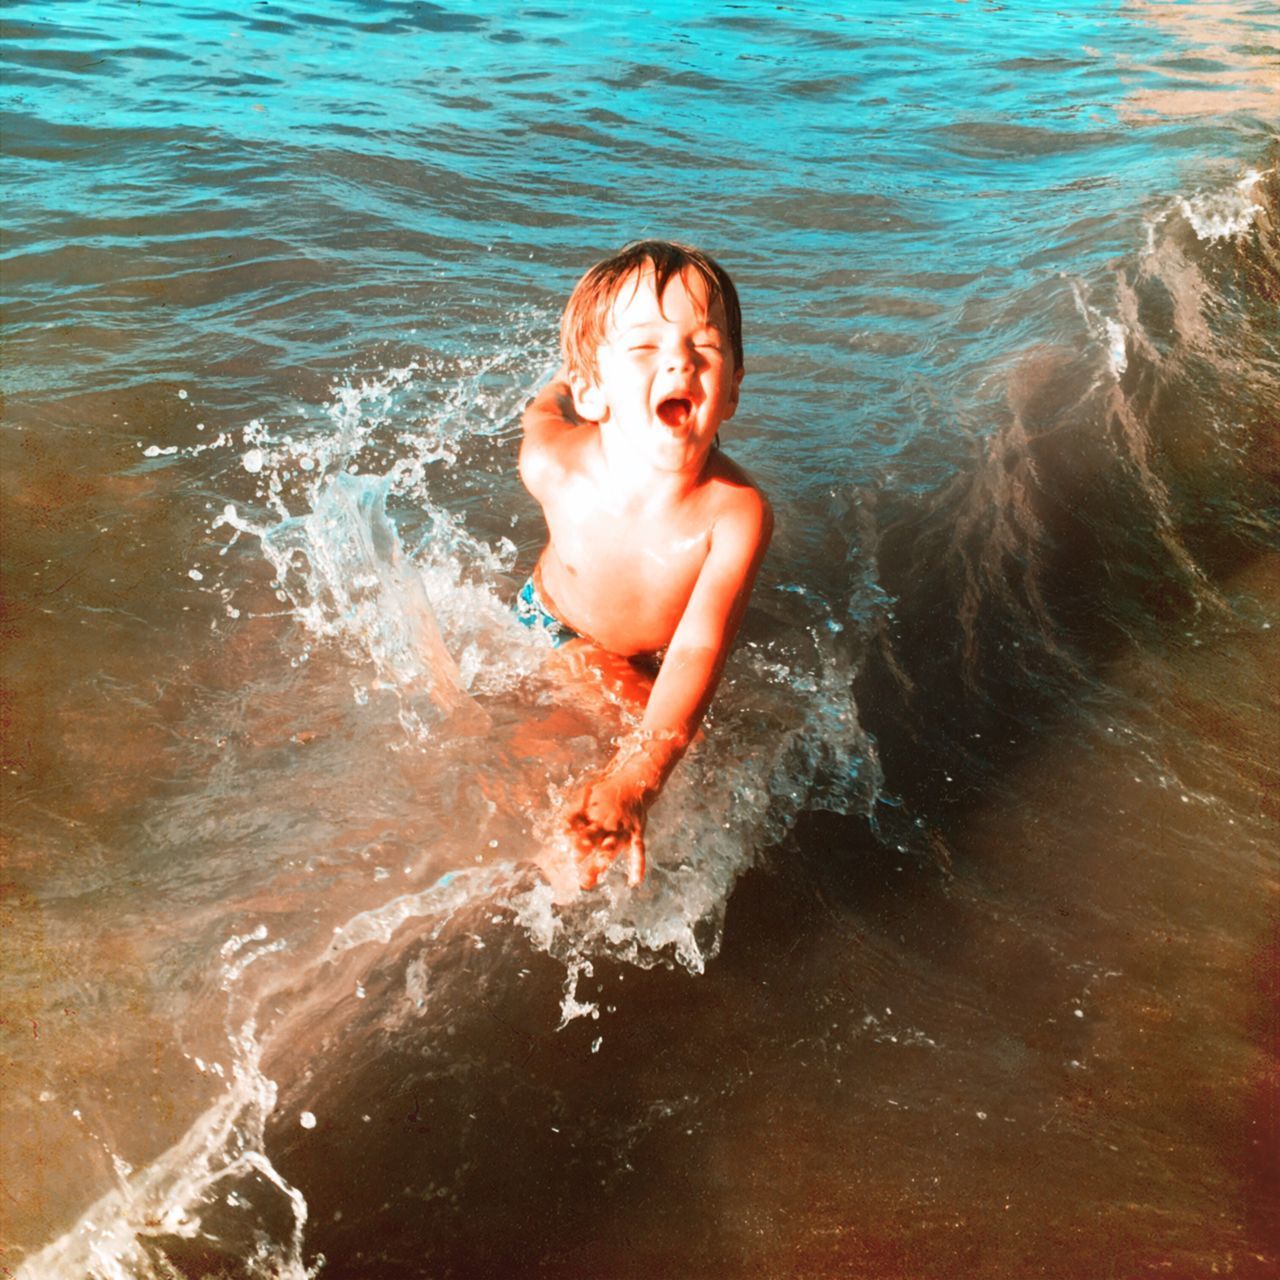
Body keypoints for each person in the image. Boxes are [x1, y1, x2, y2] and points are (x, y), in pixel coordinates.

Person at [518, 240, 773, 891]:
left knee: (695, 750)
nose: (681, 361)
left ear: (734, 390)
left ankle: (598, 817)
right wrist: (550, 396)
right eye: (644, 348)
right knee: (655, 748)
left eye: (705, 347)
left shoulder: (736, 514)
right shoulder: (557, 467)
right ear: (594, 391)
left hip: (650, 652)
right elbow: (540, 421)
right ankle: (552, 864)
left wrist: (640, 774)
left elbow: (697, 651)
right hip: (557, 627)